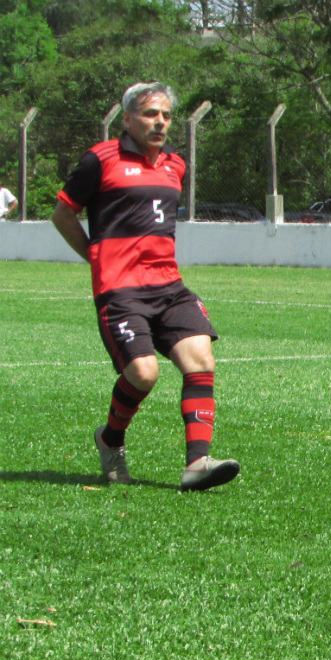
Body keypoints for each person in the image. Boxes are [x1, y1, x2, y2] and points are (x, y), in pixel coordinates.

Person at [52, 82, 239, 492]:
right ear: (128, 119)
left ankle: (197, 464)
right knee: (143, 373)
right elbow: (63, 214)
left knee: (200, 359)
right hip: (120, 290)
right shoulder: (99, 160)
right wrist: (96, 258)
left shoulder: (176, 165)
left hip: (169, 286)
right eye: (150, 114)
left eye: (166, 115)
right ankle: (110, 439)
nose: (160, 123)